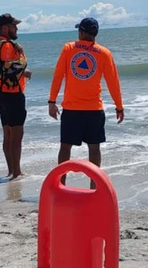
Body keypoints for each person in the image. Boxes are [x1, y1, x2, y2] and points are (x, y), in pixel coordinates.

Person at [48, 17, 124, 174]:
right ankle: (95, 185)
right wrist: (119, 106)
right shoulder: (104, 53)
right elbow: (113, 82)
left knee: (65, 147)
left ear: (82, 33)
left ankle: (60, 183)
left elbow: (58, 76)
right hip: (94, 110)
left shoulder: (69, 48)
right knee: (94, 148)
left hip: (71, 109)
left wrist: (52, 101)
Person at [0, 13, 31, 179]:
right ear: (5, 28)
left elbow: (3, 69)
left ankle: (11, 170)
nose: (16, 28)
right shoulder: (6, 46)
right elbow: (10, 70)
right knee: (16, 136)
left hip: (0, 93)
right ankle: (16, 172)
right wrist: (25, 69)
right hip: (12, 95)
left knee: (8, 135)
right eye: (13, 26)